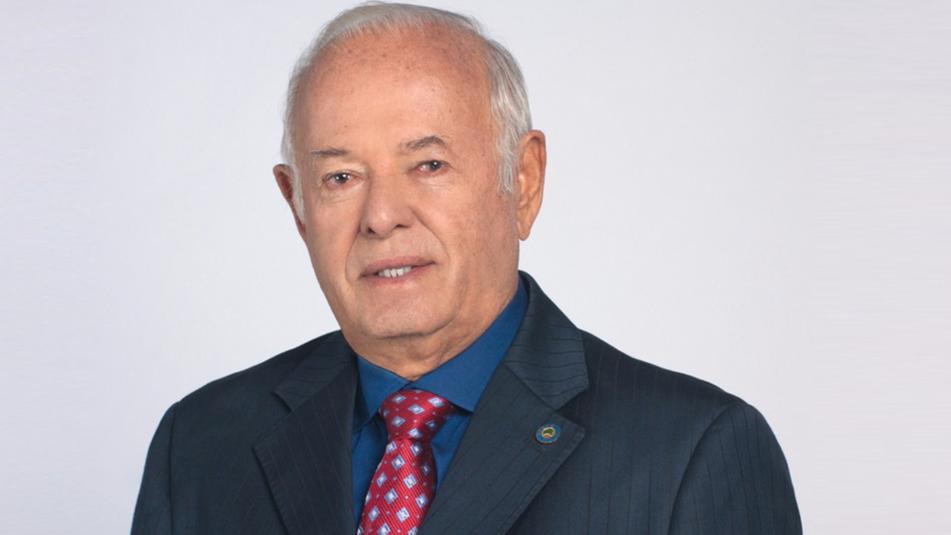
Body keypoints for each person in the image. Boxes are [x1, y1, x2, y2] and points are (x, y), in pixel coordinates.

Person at [131, 3, 801, 534]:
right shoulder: (198, 446)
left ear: (523, 180)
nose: (381, 216)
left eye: (428, 164)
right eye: (340, 176)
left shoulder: (693, 453)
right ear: (297, 206)